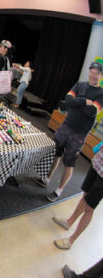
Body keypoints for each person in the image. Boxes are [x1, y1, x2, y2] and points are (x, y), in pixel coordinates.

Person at [32, 62, 103, 201]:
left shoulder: (101, 93)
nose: (93, 75)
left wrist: (77, 102)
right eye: (92, 72)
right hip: (66, 126)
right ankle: (46, 178)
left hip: (79, 133)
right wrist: (84, 101)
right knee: (55, 153)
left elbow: (92, 111)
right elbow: (68, 101)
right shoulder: (80, 85)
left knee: (69, 162)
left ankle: (59, 190)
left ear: (101, 76)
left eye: (97, 73)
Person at [51, 137, 103, 250]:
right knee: (85, 196)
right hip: (98, 164)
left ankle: (71, 240)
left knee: (90, 208)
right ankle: (69, 222)